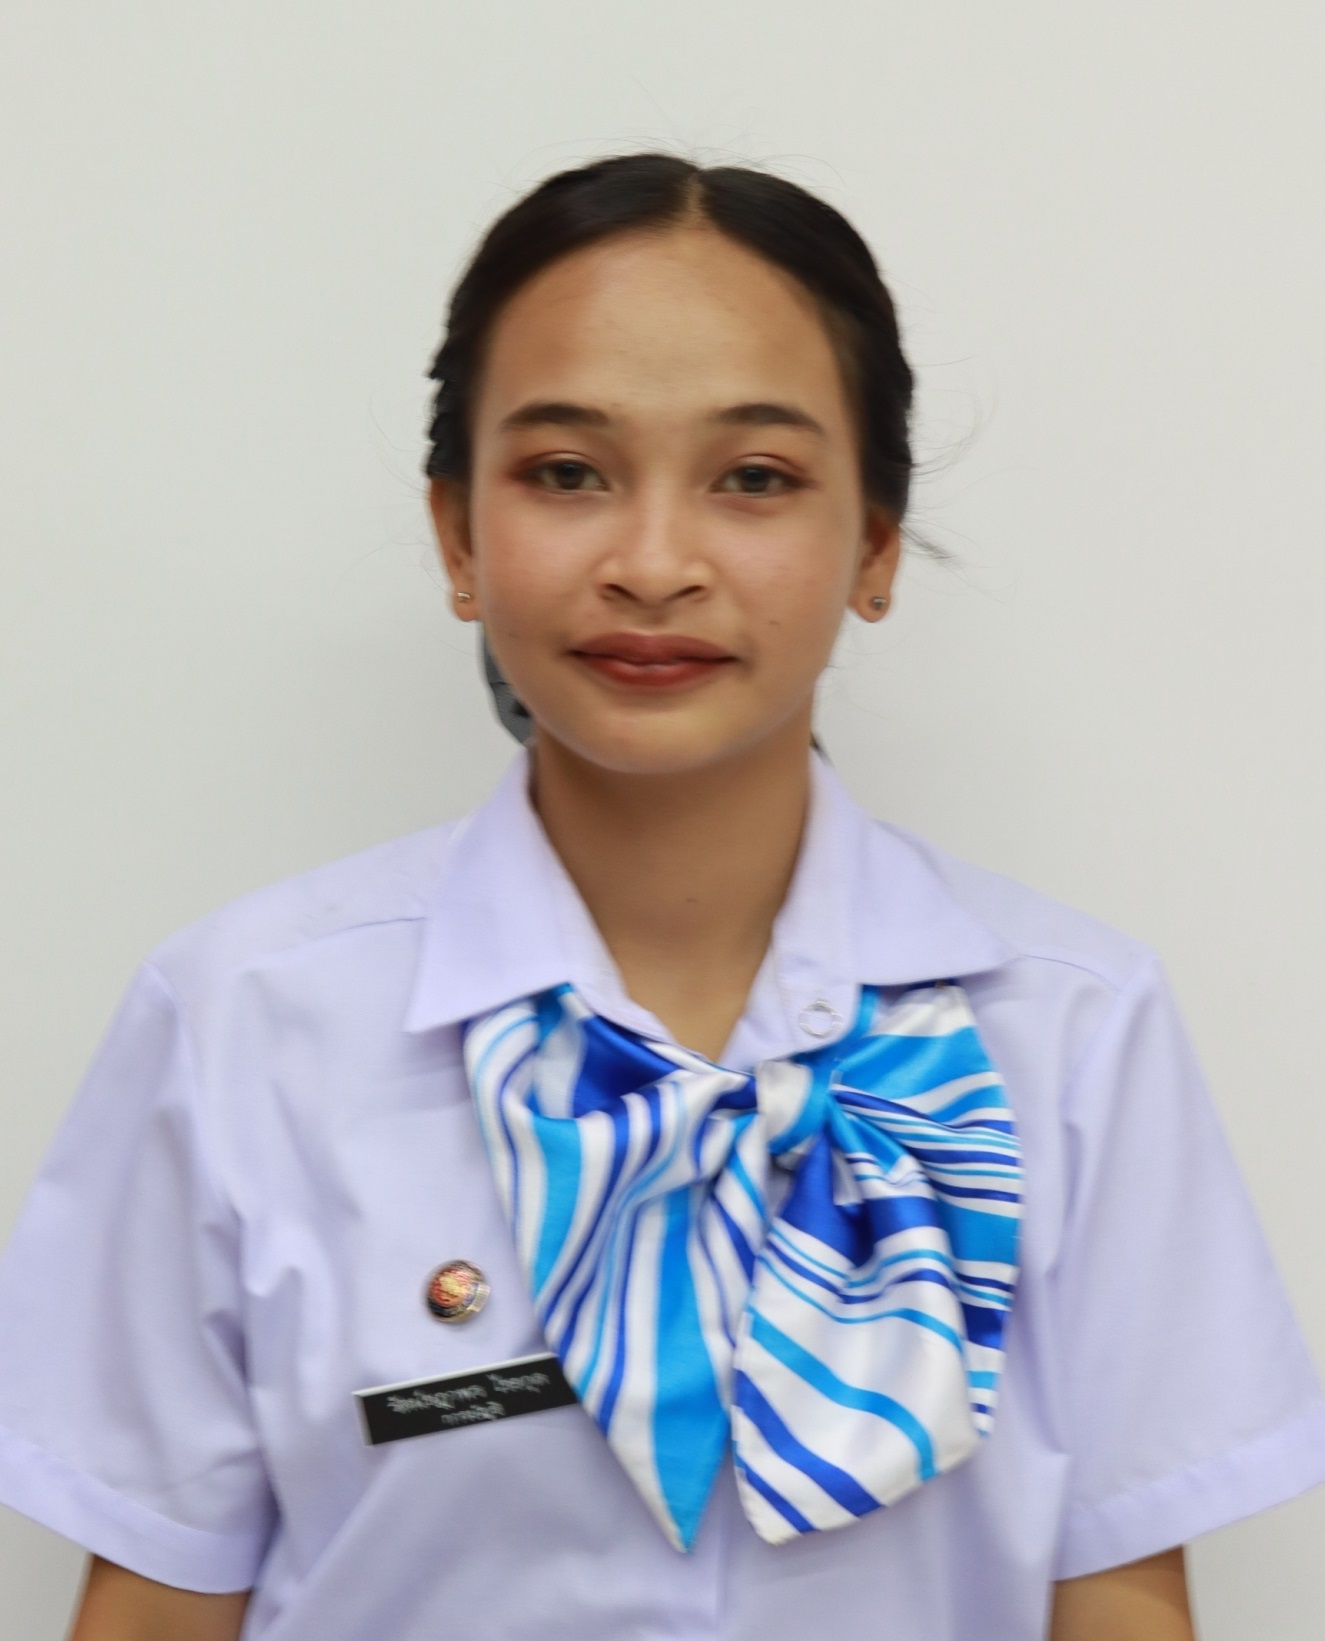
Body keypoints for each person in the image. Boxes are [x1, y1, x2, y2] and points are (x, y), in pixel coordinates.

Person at [1, 154, 1322, 1641]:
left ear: (873, 544)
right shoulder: (243, 1025)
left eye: (753, 478)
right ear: (458, 534)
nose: (652, 564)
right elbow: (154, 1609)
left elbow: (1122, 1606)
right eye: (568, 472)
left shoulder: (1073, 1034)